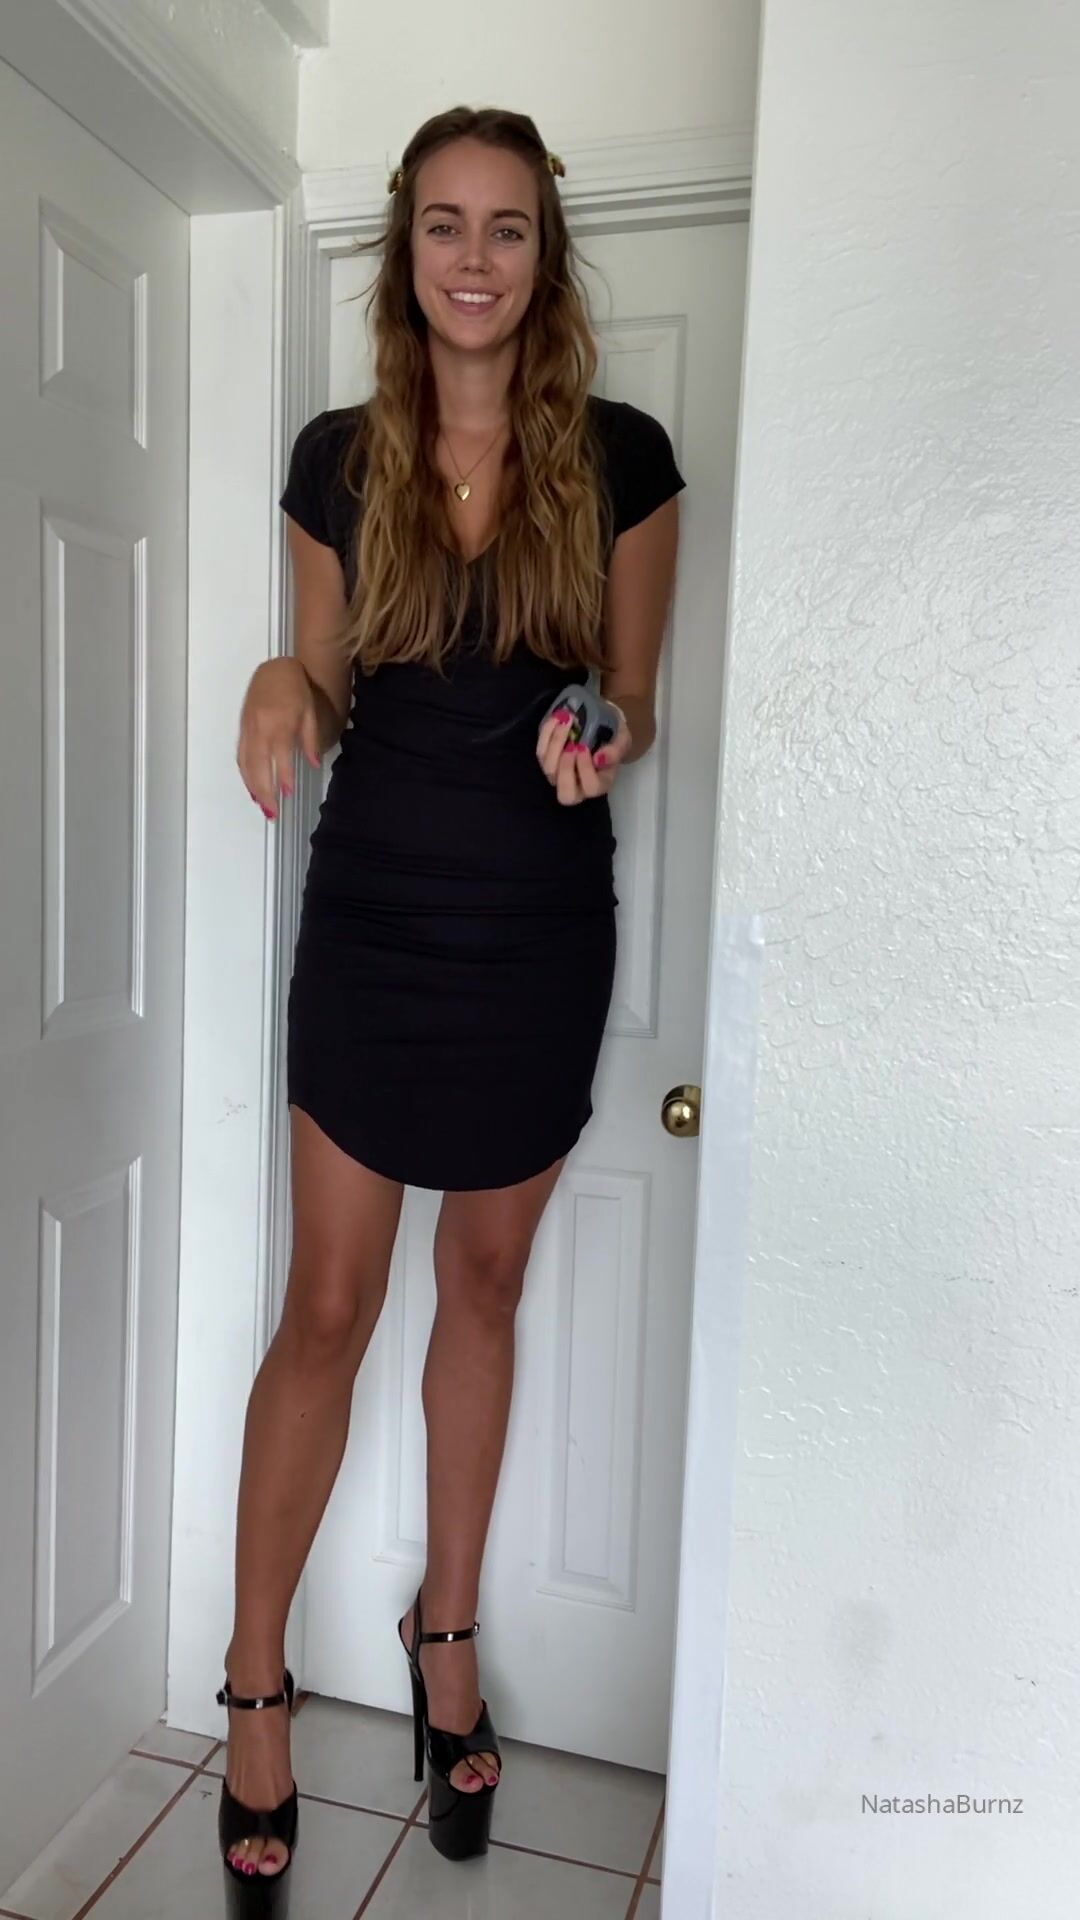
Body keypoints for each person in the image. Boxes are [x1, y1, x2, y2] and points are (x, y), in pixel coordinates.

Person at [215, 103, 685, 1912]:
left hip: (539, 934)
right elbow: (329, 688)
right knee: (326, 1309)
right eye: (441, 226)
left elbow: (632, 692)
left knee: (483, 1287)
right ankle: (257, 1681)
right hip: (376, 929)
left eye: (505, 228)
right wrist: (281, 679)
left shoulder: (624, 459)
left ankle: (448, 1633)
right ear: (404, 253)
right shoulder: (339, 460)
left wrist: (602, 729)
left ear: (542, 255)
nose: (473, 259)